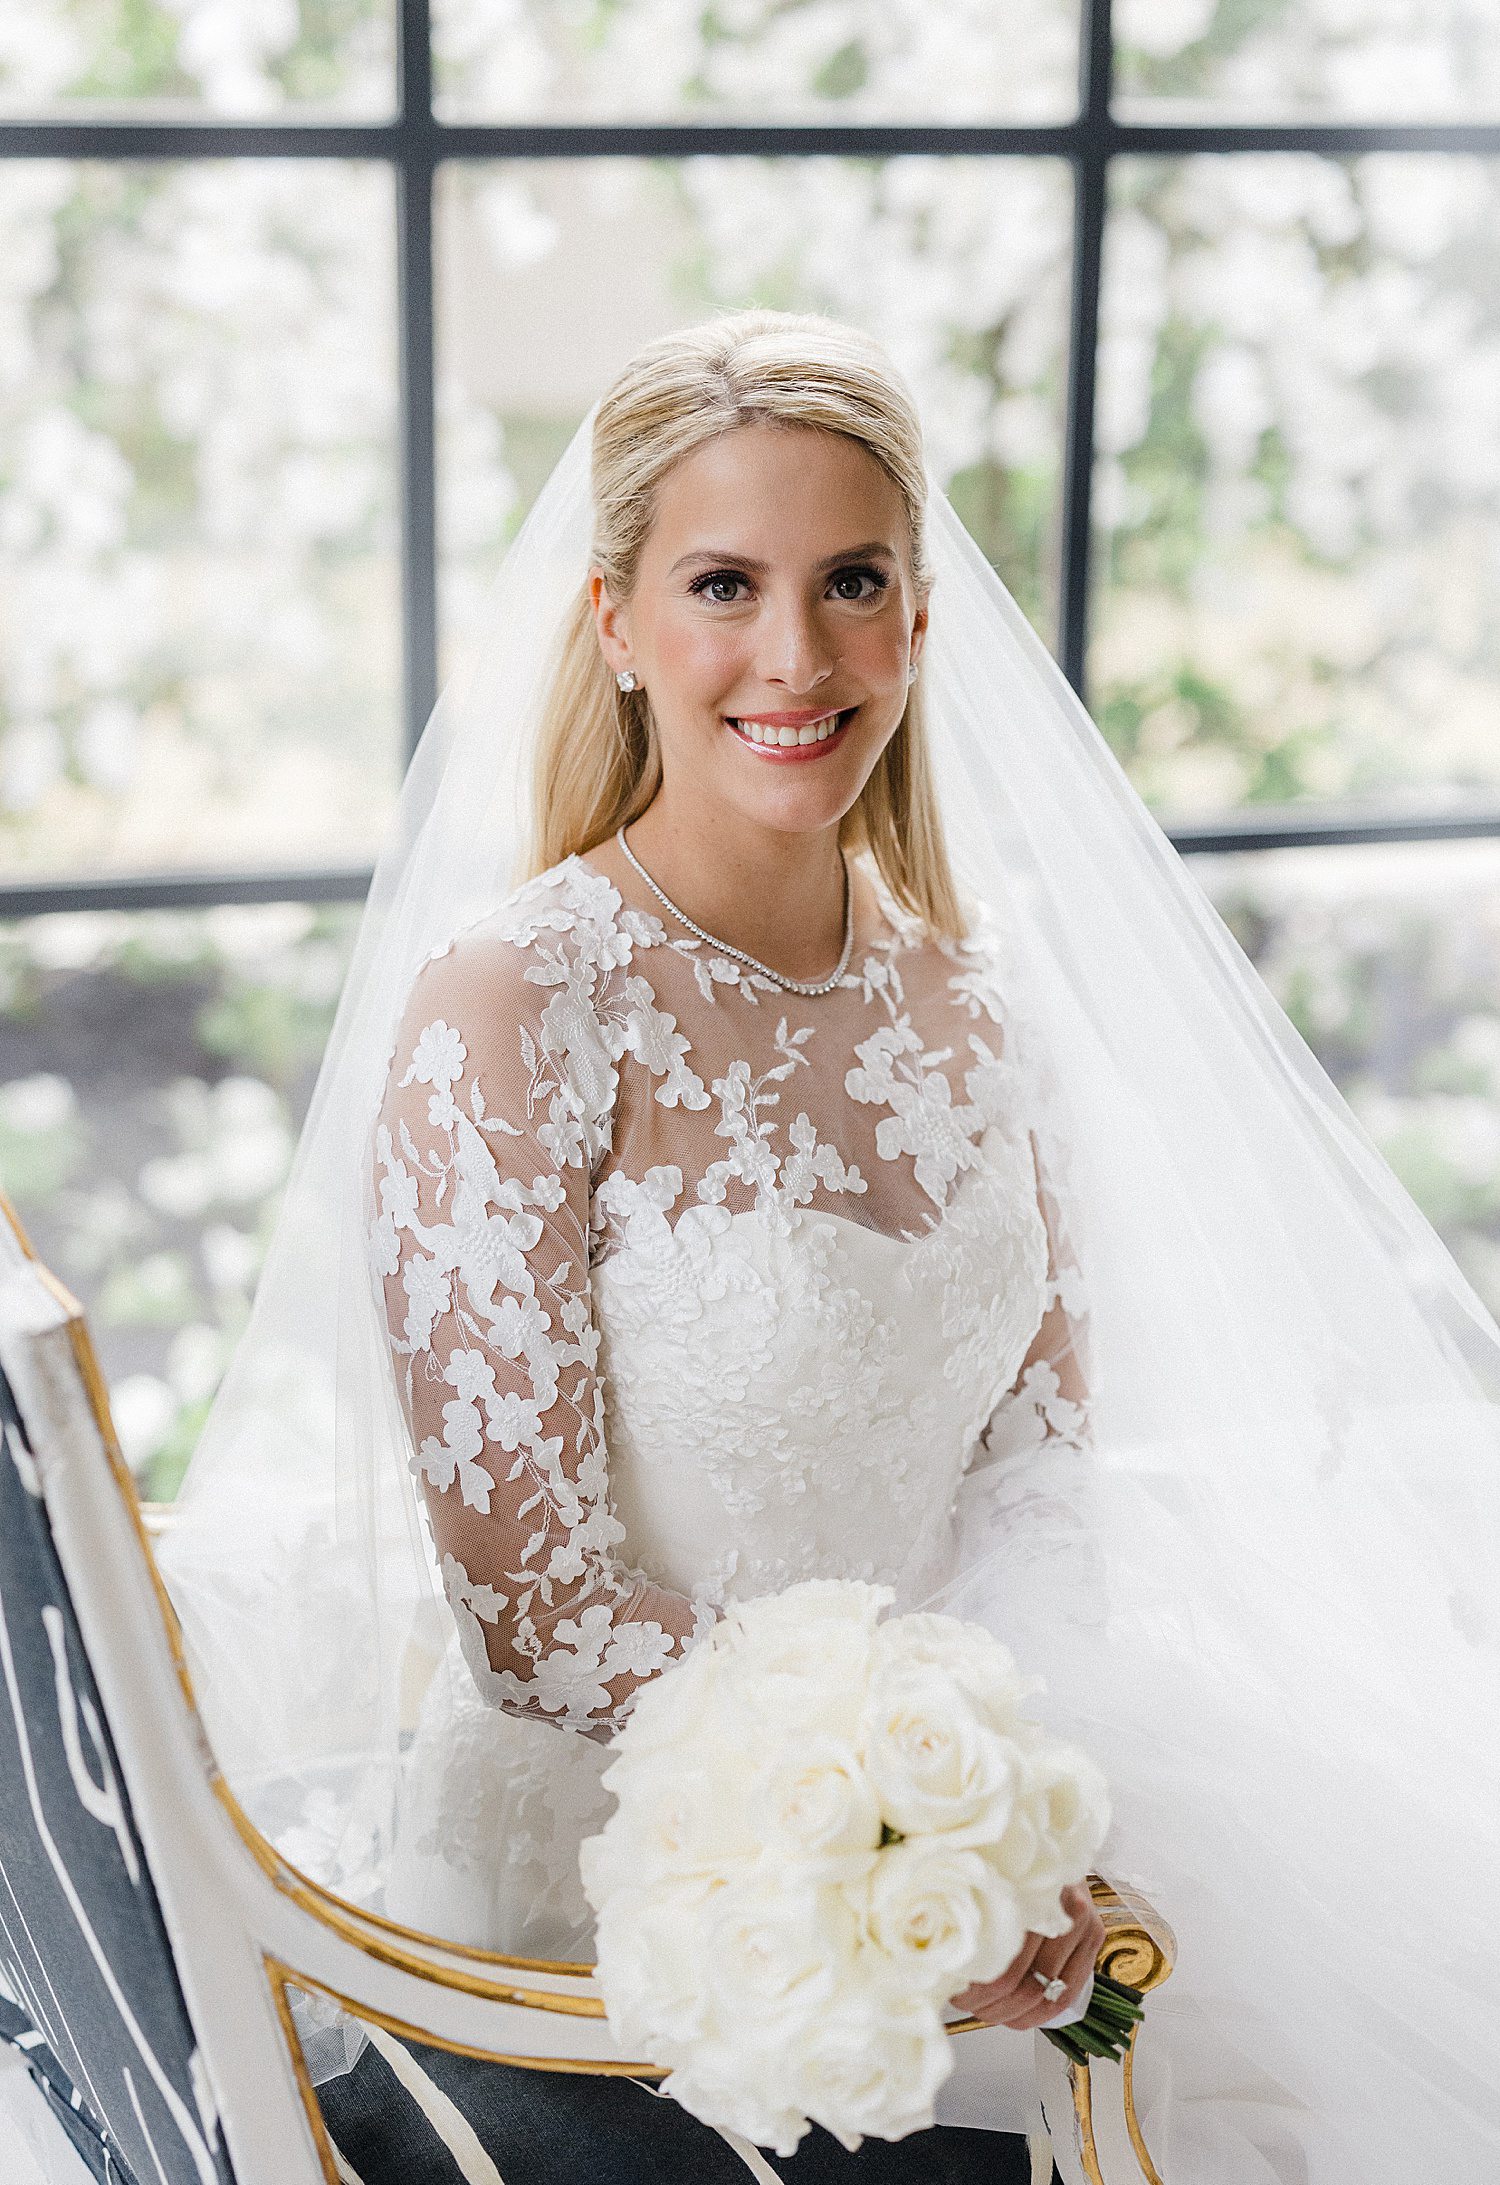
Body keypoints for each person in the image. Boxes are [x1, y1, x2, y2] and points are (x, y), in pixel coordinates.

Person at [160, 309, 1500, 2183]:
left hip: (963, 1841)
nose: (795, 658)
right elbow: (537, 1619)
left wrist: (1006, 1834)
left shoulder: (987, 1014)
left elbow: (1038, 1486)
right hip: (624, 1902)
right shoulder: (518, 1005)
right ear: (617, 623)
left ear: (923, 613)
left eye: (851, 581)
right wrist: (874, 1836)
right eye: (725, 584)